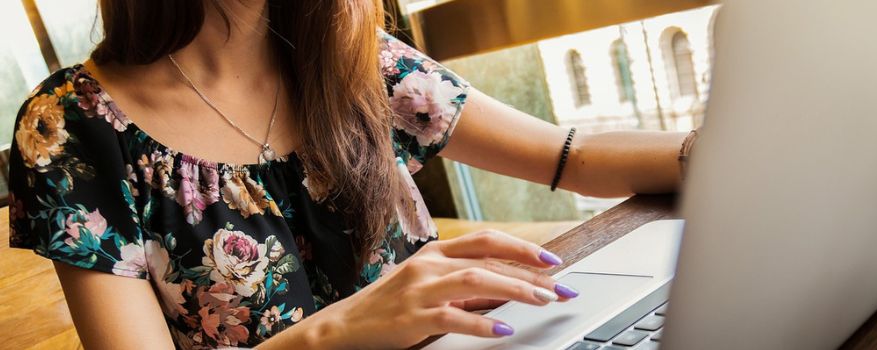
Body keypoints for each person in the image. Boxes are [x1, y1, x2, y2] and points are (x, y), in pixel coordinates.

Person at [7, 0, 689, 348]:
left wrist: (735, 149)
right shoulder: (72, 129)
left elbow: (571, 156)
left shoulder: (350, 55)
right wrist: (343, 330)